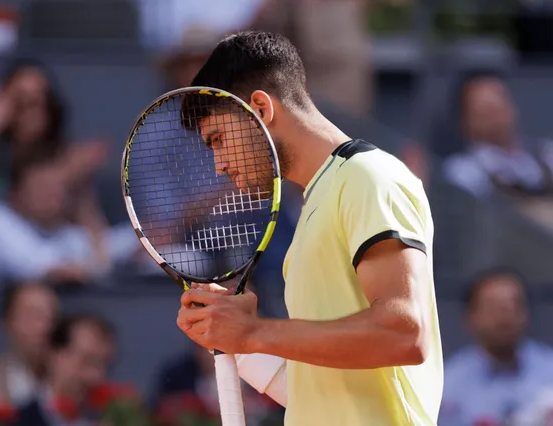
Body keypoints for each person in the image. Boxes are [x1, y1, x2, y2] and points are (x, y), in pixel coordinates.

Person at [175, 31, 443, 426]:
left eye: (217, 139)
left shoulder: (369, 177)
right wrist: (236, 343)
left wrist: (253, 332)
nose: (219, 164)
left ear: (262, 109)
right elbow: (322, 394)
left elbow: (404, 334)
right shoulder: (317, 203)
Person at [439, 268, 553, 426]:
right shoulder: (448, 386)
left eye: (513, 306)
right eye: (493, 307)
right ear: (470, 316)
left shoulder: (550, 371)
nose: (504, 318)